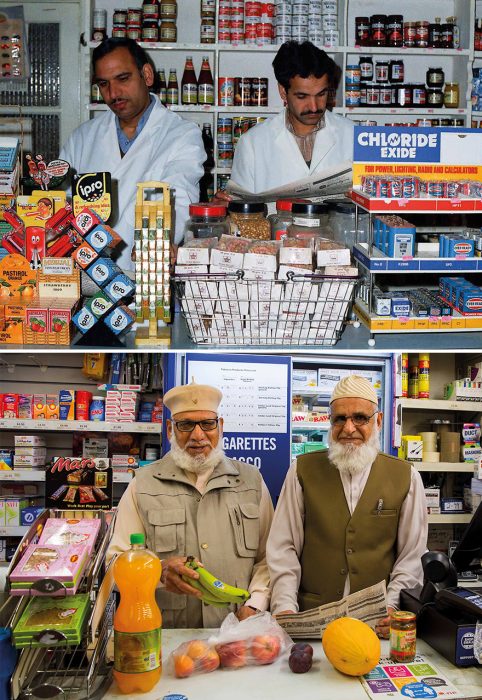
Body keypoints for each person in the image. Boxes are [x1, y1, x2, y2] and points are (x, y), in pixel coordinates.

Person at [267, 374, 428, 639]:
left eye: (359, 418)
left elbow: (411, 555)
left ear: (377, 421)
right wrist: (285, 607)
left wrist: (392, 605)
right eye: (339, 419)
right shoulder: (301, 470)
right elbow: (283, 546)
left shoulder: (406, 476)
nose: (348, 428)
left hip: (376, 626)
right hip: (311, 622)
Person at [107, 380, 274, 628]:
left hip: (238, 633)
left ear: (221, 427)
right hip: (168, 635)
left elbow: (269, 557)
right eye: (185, 425)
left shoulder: (251, 480)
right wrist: (159, 571)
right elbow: (115, 564)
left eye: (208, 424)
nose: (198, 435)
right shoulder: (142, 485)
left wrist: (255, 604)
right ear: (170, 430)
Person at [60, 38, 205, 271]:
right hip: (85, 274)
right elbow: (62, 204)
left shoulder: (181, 134)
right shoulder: (82, 138)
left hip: (145, 273)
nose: (114, 93)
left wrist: (159, 241)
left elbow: (180, 197)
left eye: (123, 79)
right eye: (104, 84)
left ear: (146, 75)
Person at [216, 40, 354, 197]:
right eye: (302, 96)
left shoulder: (354, 135)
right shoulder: (252, 143)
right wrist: (227, 206)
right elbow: (242, 210)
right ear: (283, 92)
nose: (314, 107)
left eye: (321, 94)